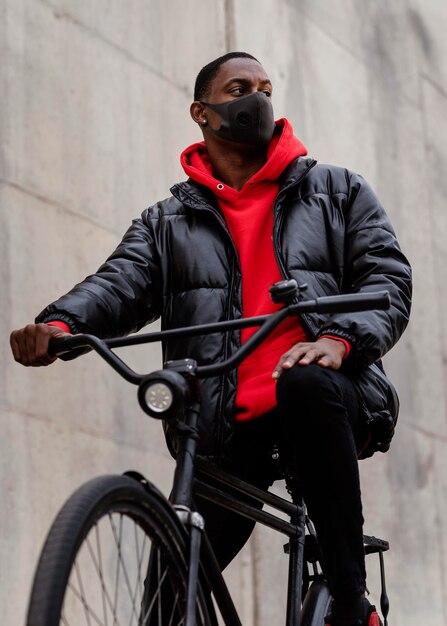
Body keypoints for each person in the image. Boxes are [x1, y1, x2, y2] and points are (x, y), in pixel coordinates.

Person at [10, 52, 411, 626]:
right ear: (202, 112)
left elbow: (389, 279)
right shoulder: (166, 221)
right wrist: (61, 325)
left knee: (305, 382)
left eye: (266, 87)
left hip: (324, 396)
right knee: (166, 601)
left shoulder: (338, 190)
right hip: (224, 422)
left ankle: (350, 603)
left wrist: (340, 341)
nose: (258, 99)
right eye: (240, 87)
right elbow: (118, 284)